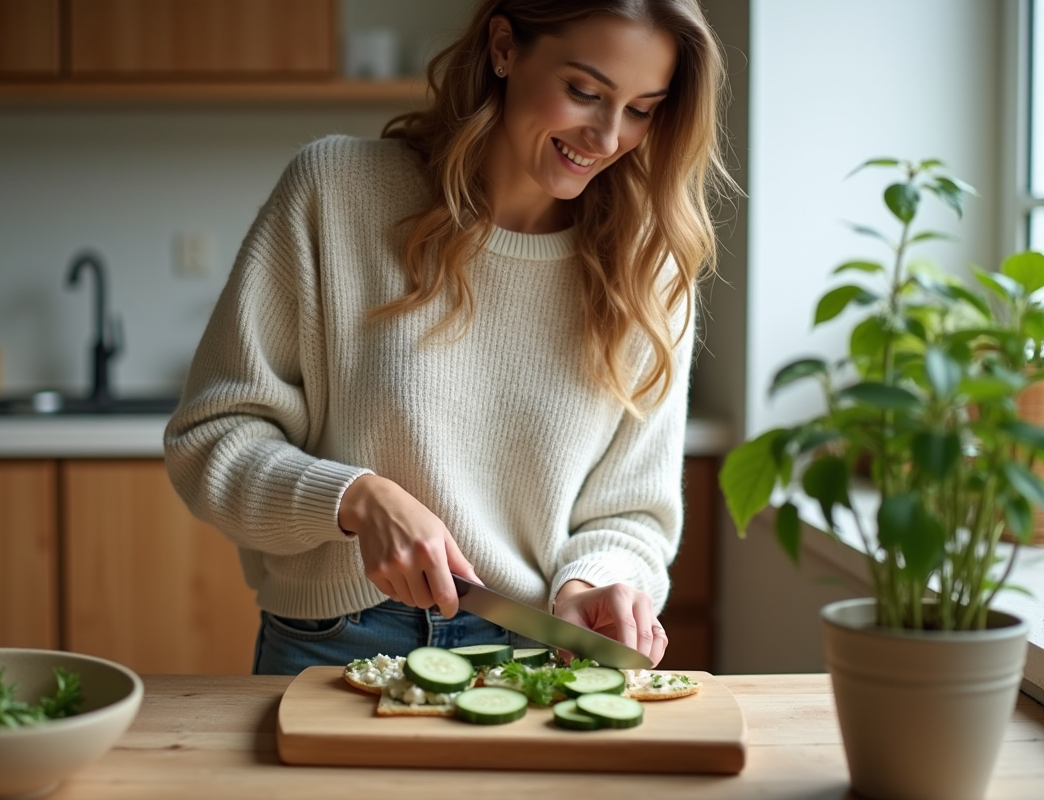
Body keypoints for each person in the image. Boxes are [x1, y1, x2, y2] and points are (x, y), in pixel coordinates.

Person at [164, 0, 732, 676]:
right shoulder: (336, 194)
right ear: (503, 47)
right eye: (584, 91)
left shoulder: (649, 266)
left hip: (534, 653)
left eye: (642, 109)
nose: (608, 136)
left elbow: (634, 512)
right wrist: (354, 498)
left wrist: (593, 582)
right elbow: (210, 440)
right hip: (335, 645)